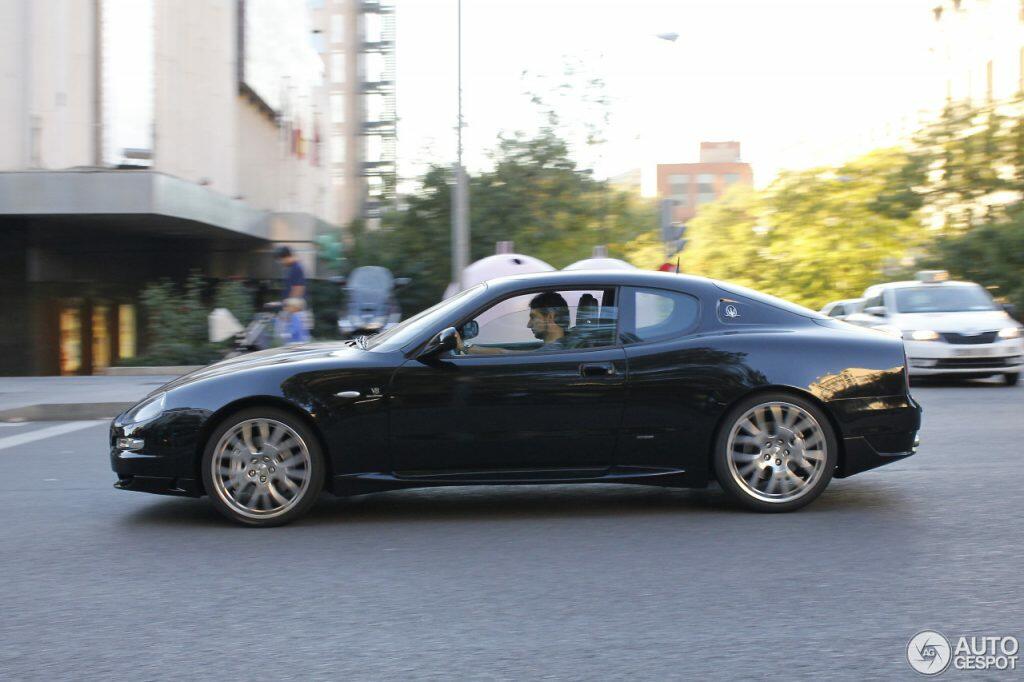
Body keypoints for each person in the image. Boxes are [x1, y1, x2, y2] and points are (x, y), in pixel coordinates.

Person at [457, 291, 571, 354]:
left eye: (533, 317)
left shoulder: (552, 352)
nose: (529, 325)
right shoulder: (563, 347)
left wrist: (464, 347)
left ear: (550, 317)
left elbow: (503, 354)